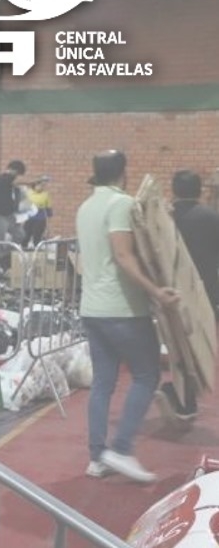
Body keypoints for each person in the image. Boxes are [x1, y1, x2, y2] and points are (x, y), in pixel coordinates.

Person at [76, 150, 179, 483]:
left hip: (92, 308)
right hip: (121, 309)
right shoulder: (120, 204)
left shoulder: (86, 207)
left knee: (103, 383)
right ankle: (121, 448)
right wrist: (156, 291)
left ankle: (97, 458)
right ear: (123, 172)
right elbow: (124, 255)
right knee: (147, 375)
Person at [154, 169, 219, 426]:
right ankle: (185, 398)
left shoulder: (164, 218)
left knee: (177, 345)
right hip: (205, 293)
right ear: (200, 190)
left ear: (174, 189)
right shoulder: (211, 218)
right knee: (196, 346)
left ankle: (183, 398)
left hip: (169, 292)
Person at [0, 160, 26, 243]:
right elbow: (17, 182)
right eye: (17, 174)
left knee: (20, 235)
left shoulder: (14, 187)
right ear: (14, 170)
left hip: (9, 214)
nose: (17, 177)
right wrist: (35, 181)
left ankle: (7, 249)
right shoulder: (4, 178)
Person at [22, 175, 52, 250]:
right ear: (34, 186)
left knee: (37, 236)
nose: (41, 187)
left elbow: (48, 209)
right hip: (29, 218)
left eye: (42, 186)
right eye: (39, 186)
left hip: (40, 218)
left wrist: (49, 224)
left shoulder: (45, 194)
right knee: (26, 236)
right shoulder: (29, 193)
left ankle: (37, 251)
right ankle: (23, 249)